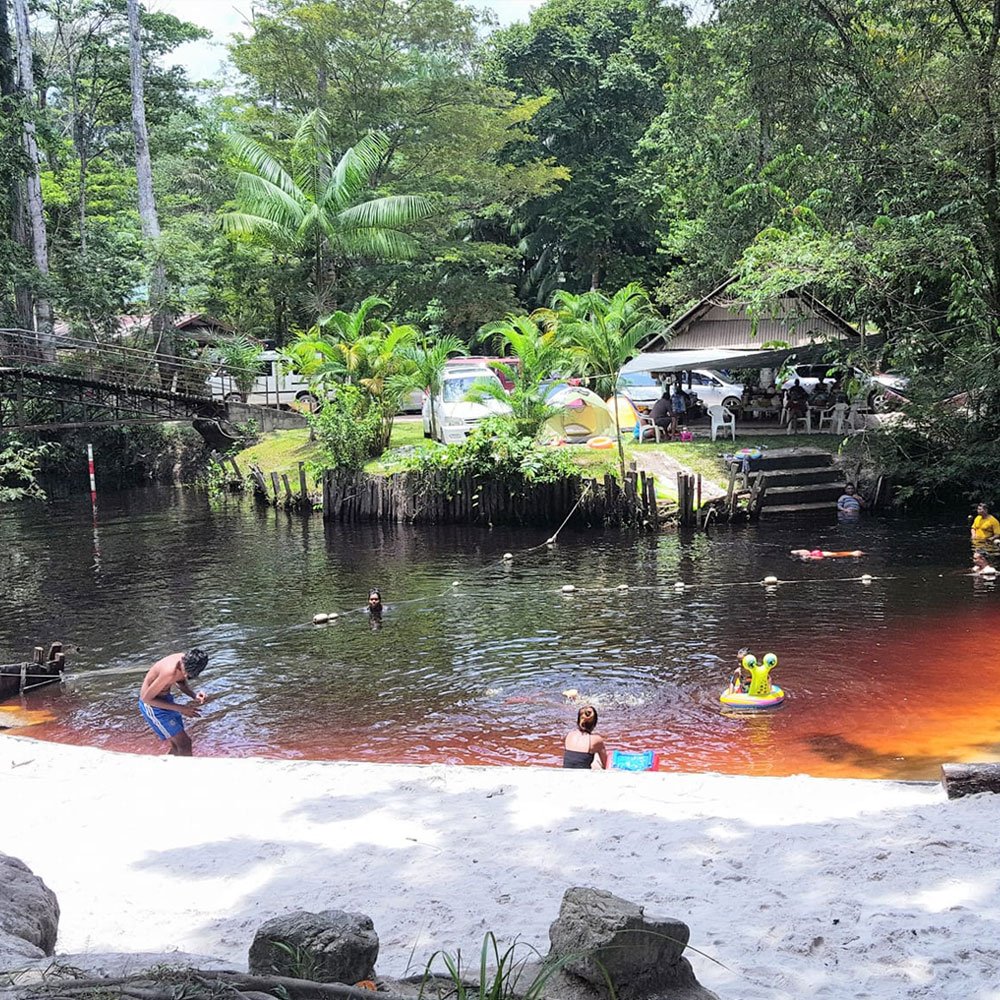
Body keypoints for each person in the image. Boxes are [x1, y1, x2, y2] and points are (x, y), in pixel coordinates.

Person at [138, 648, 209, 756]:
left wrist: (194, 695)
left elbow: (181, 682)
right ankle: (186, 772)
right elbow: (146, 699)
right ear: (184, 662)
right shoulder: (169, 671)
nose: (186, 676)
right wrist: (182, 709)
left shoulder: (184, 661)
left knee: (177, 746)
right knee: (184, 744)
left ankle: (166, 768)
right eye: (186, 672)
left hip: (166, 700)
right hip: (152, 706)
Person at [562, 704, 608, 769]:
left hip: (566, 775)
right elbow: (605, 765)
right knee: (597, 759)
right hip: (583, 777)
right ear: (594, 723)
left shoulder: (570, 735)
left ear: (578, 721)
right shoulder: (597, 740)